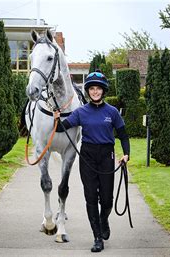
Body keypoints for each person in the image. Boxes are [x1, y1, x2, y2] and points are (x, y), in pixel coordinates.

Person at [55, 71, 130, 252]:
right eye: (92, 89)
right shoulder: (81, 112)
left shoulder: (112, 112)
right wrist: (57, 118)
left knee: (107, 200)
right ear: (88, 91)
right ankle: (97, 238)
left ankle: (104, 219)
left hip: (106, 156)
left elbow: (123, 135)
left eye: (98, 89)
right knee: (90, 198)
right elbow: (61, 128)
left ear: (103, 91)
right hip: (87, 156)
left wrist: (126, 154)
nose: (95, 92)